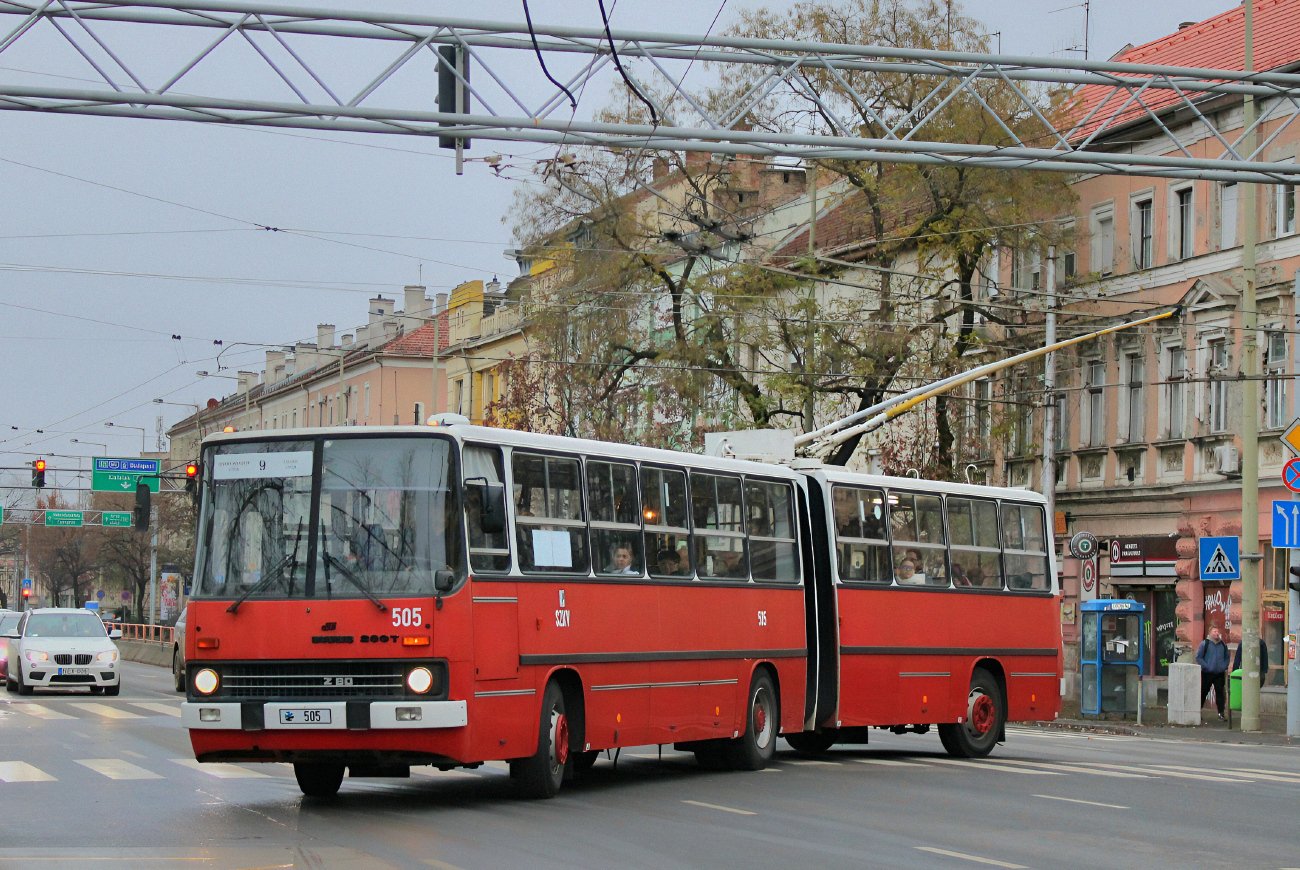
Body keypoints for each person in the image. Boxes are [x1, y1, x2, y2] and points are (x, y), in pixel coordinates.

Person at [1195, 626, 1230, 720]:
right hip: (1207, 673)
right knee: (1203, 692)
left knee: (1220, 693)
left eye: (1217, 631)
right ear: (1210, 633)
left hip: (1219, 673)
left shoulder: (1222, 644)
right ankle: (1197, 712)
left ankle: (1221, 713)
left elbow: (1227, 657)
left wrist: (1223, 666)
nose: (1216, 633)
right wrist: (1206, 666)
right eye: (1214, 631)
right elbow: (1198, 657)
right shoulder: (1205, 644)